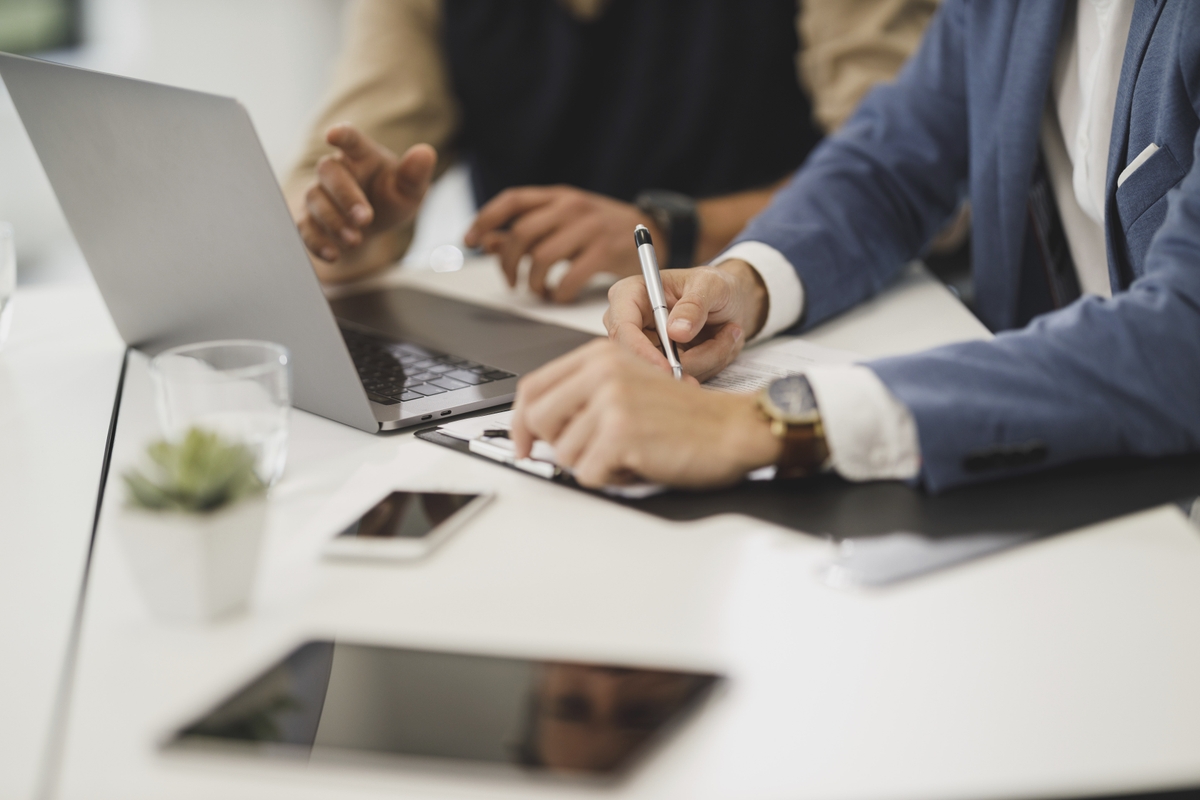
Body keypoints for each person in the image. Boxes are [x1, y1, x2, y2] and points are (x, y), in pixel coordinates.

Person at [509, 0, 1200, 493]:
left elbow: (1184, 336)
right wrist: (743, 284)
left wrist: (770, 422)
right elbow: (892, 162)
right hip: (1061, 480)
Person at [284, 0, 939, 302]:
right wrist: (342, 225)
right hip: (532, 340)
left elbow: (922, 180)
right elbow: (324, 177)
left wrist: (671, 230)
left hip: (781, 316)